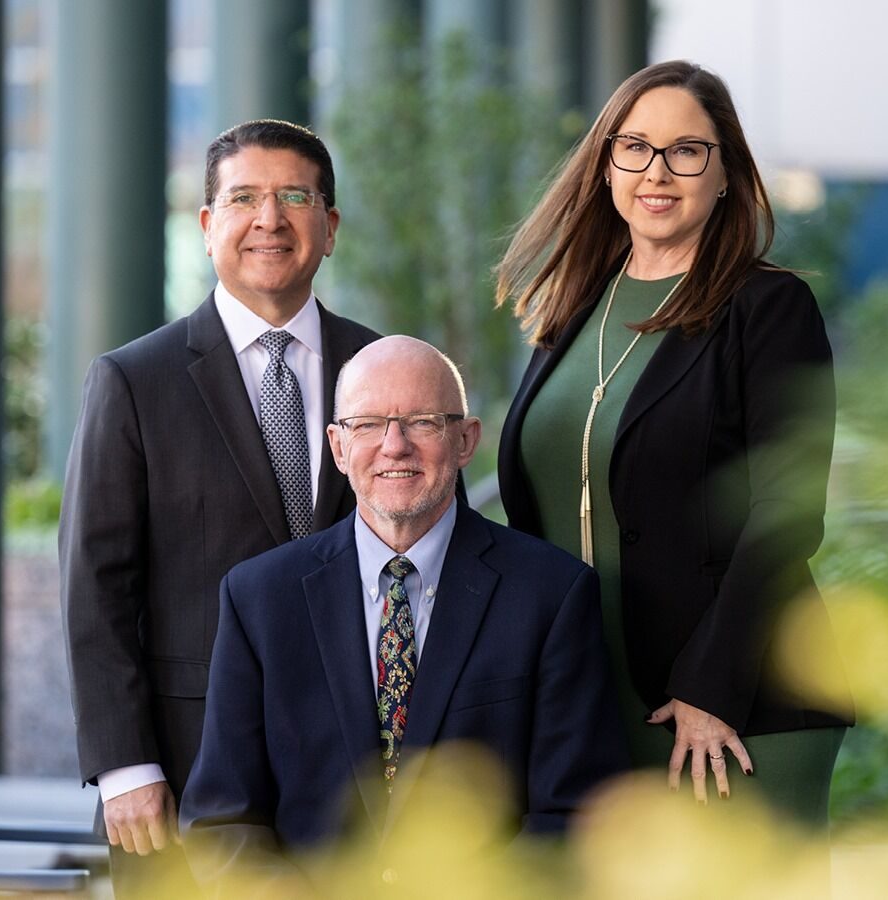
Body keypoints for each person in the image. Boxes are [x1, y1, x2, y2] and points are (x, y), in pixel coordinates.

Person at [494, 60, 855, 830]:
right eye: (635, 147)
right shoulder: (572, 309)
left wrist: (710, 688)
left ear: (726, 174)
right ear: (606, 165)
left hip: (731, 708)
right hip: (588, 698)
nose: (657, 172)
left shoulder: (768, 308)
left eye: (687, 151)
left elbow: (787, 513)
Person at [179, 336, 628, 890]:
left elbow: (574, 817)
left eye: (422, 422)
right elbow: (222, 822)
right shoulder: (259, 599)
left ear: (465, 440)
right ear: (338, 446)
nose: (394, 446)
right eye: (367, 424)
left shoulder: (552, 594)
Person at [60, 119, 380, 895]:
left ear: (330, 227)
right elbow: (95, 583)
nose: (270, 219)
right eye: (243, 199)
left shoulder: (381, 369)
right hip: (185, 772)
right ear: (207, 227)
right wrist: (125, 766)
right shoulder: (134, 381)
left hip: (361, 772)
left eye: (295, 197)